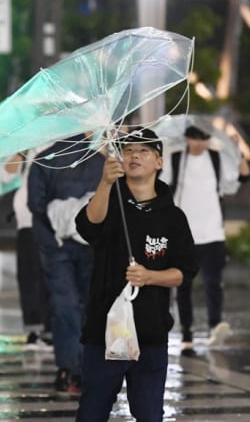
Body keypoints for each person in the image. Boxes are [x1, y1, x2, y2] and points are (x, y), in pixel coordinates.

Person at [74, 128, 198, 421]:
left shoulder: (173, 218)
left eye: (144, 151)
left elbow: (185, 272)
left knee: (149, 415)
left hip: (150, 335)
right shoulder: (110, 202)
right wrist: (105, 183)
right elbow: (88, 228)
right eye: (129, 150)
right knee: (92, 413)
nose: (134, 156)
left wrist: (150, 277)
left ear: (159, 162)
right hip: (104, 334)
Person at [161, 125, 250, 354]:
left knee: (213, 283)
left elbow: (243, 176)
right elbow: (158, 182)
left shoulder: (216, 158)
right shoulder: (175, 159)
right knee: (183, 286)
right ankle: (187, 335)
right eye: (194, 139)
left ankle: (214, 327)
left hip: (212, 232)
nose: (199, 143)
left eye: (203, 139)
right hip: (183, 234)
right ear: (187, 139)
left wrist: (236, 149)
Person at [27, 133, 104, 393]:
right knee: (82, 306)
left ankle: (69, 368)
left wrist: (50, 241)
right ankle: (79, 369)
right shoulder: (100, 161)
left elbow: (36, 206)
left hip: (58, 246)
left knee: (66, 305)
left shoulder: (43, 161)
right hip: (88, 245)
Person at [1, 148, 51, 348]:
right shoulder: (26, 144)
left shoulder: (62, 140)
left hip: (51, 221)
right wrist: (21, 152)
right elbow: (5, 176)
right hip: (25, 222)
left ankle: (50, 330)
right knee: (28, 276)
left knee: (48, 276)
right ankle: (33, 329)